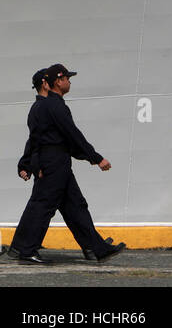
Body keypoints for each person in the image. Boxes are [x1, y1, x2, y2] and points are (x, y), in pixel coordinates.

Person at [7, 64, 126, 264]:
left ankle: (96, 248)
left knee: (75, 207)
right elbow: (72, 135)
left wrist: (27, 164)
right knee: (43, 206)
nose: (69, 82)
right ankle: (26, 250)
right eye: (67, 79)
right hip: (53, 163)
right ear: (57, 81)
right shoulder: (54, 106)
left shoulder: (45, 106)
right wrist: (96, 158)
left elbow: (40, 140)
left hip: (57, 162)